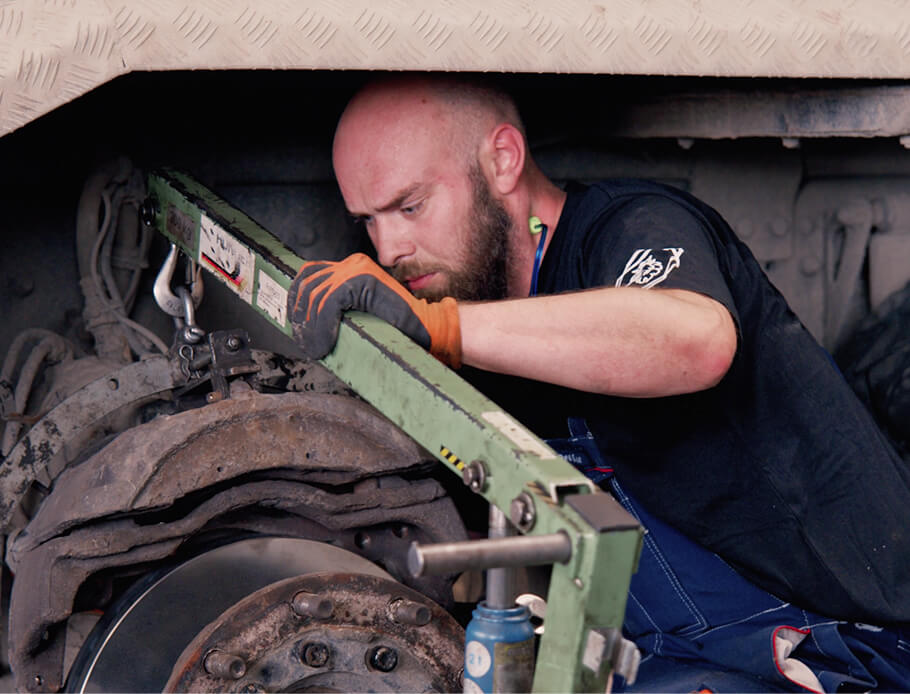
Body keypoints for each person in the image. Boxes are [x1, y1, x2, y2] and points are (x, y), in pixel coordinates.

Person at [288, 75, 910, 692]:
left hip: (848, 650)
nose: (389, 248)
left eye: (410, 207)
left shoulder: (632, 225)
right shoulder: (475, 298)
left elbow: (698, 341)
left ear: (502, 160)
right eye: (368, 221)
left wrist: (442, 327)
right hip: (673, 658)